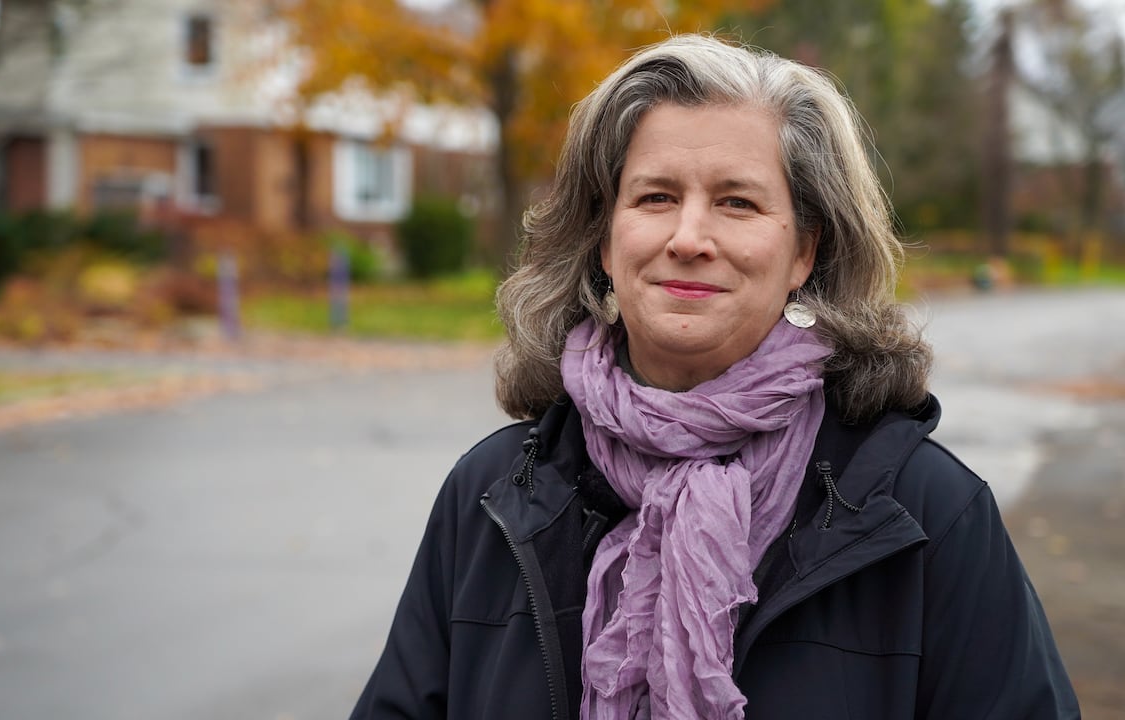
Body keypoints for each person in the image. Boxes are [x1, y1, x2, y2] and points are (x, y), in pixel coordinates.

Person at [350, 34, 1080, 720]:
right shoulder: (492, 498)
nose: (689, 238)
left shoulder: (925, 515)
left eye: (737, 201)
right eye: (656, 197)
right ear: (605, 241)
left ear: (803, 252)